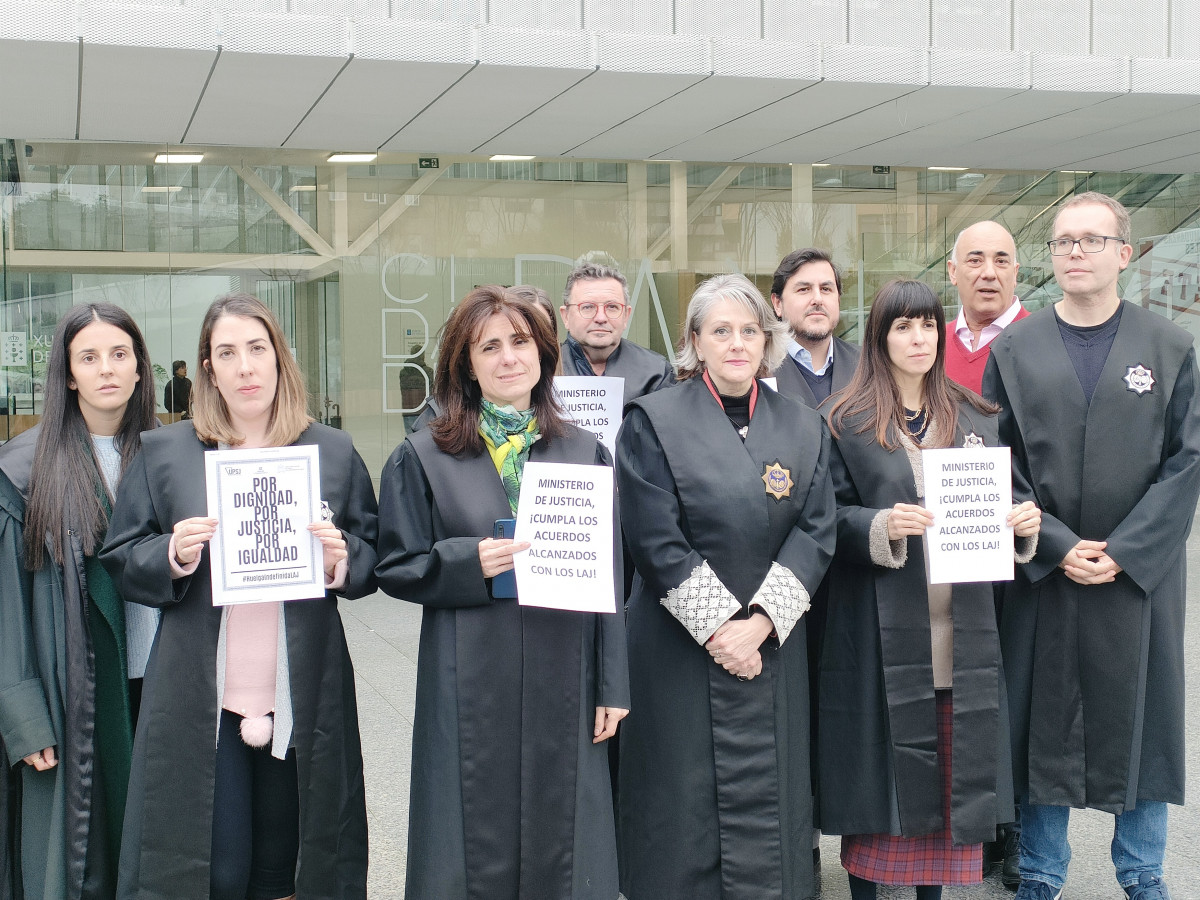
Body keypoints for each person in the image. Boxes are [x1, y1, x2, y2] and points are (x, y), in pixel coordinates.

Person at [99, 293, 379, 900]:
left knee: (287, 866)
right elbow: (121, 556)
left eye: (257, 349)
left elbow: (372, 553)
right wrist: (171, 554)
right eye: (227, 353)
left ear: (280, 360)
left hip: (300, 692)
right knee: (215, 868)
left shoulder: (329, 451)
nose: (245, 367)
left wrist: (342, 561)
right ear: (208, 368)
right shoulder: (168, 453)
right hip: (203, 696)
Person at [375, 285, 628, 900]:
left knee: (564, 833)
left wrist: (611, 686)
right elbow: (394, 565)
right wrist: (468, 562)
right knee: (469, 832)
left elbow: (612, 578)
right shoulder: (423, 455)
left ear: (543, 355)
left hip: (565, 664)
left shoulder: (584, 452)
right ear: (465, 363)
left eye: (520, 342)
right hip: (468, 669)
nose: (508, 357)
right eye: (489, 346)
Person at [983, 192, 1200, 900]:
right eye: (1063, 242)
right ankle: (1040, 880)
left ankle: (1143, 879)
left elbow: (1187, 462)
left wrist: (1127, 551)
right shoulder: (1014, 349)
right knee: (1045, 725)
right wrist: (1056, 543)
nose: (1075, 253)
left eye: (1090, 240)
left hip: (1136, 584)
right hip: (1047, 576)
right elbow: (997, 461)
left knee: (1139, 729)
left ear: (1123, 253)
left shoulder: (1168, 348)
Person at [617, 273, 836, 900]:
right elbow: (654, 538)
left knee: (773, 798)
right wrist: (721, 630)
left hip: (772, 644)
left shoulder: (803, 425)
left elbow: (816, 533)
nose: (736, 343)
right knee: (681, 795)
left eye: (749, 330)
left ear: (766, 340)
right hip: (679, 648)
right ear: (695, 341)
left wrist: (760, 624)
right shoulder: (652, 421)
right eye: (721, 331)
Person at [821, 279, 1041, 900]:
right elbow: (822, 519)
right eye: (901, 326)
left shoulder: (975, 413)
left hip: (962, 626)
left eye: (926, 325)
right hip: (882, 629)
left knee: (951, 778)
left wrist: (1023, 524)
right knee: (883, 779)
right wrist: (877, 524)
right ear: (879, 336)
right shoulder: (843, 420)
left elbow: (1014, 496)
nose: (917, 338)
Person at [0, 303, 158, 900]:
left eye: (120, 354)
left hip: (158, 680)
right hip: (72, 690)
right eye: (88, 358)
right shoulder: (23, 470)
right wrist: (22, 715)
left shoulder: (170, 456)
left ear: (140, 368)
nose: (106, 370)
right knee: (77, 857)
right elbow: (6, 606)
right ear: (67, 375)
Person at [559, 261, 674, 405]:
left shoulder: (656, 372)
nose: (601, 318)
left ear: (626, 315)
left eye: (612, 307)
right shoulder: (544, 370)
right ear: (565, 316)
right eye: (587, 307)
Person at [944, 222, 1030, 395]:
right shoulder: (931, 345)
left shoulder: (1045, 341)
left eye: (1001, 261)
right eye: (975, 261)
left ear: (1015, 273)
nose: (989, 273)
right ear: (953, 271)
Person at [770, 247, 860, 406]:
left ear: (838, 300)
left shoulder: (867, 365)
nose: (817, 299)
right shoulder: (757, 368)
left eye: (826, 289)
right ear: (778, 304)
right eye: (803, 289)